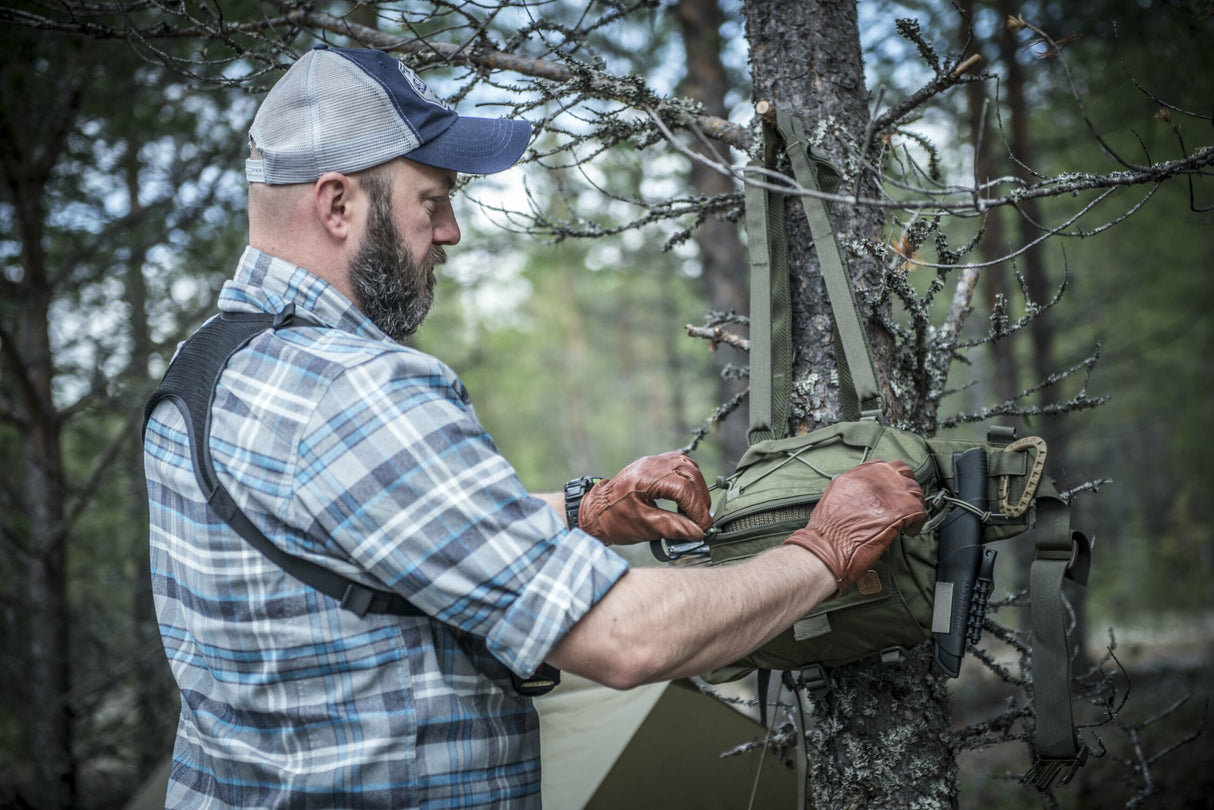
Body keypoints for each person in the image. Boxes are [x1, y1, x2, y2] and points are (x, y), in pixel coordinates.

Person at [143, 44, 928, 809]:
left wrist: (583, 511)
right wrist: (825, 551)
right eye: (432, 200)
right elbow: (624, 640)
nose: (449, 231)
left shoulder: (208, 368)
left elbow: (357, 530)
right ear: (338, 203)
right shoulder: (357, 388)